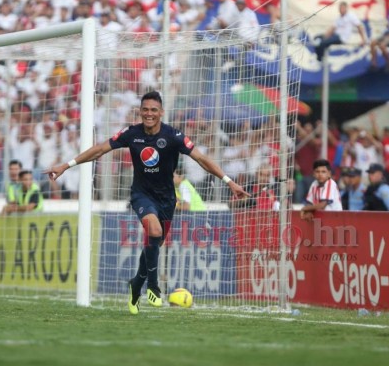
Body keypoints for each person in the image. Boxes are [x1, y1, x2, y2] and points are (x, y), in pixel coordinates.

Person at [44, 91, 249, 315]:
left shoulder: (174, 136)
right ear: (140, 111)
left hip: (168, 199)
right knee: (153, 228)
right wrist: (66, 165)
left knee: (154, 244)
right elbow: (100, 149)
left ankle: (136, 283)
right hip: (141, 194)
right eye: (145, 109)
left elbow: (201, 159)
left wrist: (229, 181)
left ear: (161, 112)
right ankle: (152, 285)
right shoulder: (131, 134)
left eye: (153, 110)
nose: (149, 114)